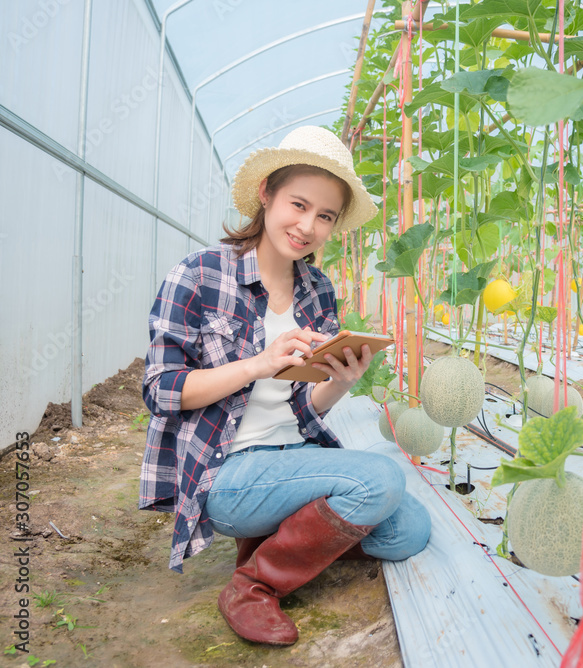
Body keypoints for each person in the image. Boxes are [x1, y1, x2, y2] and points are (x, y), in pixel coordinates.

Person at [139, 125, 430, 646]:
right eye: (298, 204)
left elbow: (304, 407)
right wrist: (257, 364)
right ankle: (253, 585)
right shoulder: (201, 274)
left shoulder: (317, 289)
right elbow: (161, 390)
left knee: (409, 531)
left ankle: (277, 533)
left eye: (325, 216)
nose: (307, 226)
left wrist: (341, 381)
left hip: (291, 455)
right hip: (226, 472)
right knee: (381, 481)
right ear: (266, 193)